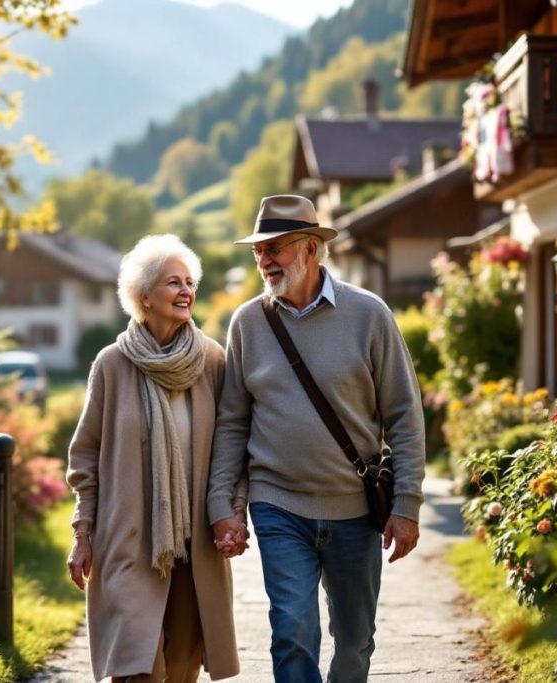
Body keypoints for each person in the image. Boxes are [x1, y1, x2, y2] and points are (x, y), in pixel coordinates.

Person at [207, 194, 426, 683]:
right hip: (278, 504)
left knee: (354, 642)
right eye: (258, 251)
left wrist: (406, 504)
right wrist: (223, 504)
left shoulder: (369, 316)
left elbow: (404, 415)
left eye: (276, 248)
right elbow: (231, 422)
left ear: (310, 248)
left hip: (354, 509)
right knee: (292, 629)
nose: (264, 261)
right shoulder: (247, 323)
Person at [66, 234, 242, 683]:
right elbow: (85, 456)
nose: (186, 291)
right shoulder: (111, 365)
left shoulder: (212, 361)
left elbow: (233, 447)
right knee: (135, 666)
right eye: (172, 283)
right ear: (144, 297)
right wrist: (82, 533)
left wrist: (233, 514)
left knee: (182, 662)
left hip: (192, 545)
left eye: (189, 282)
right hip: (126, 540)